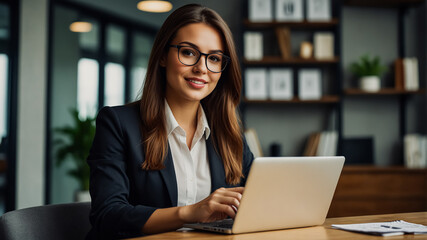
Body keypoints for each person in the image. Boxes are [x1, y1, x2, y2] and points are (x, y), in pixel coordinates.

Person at [86, 4, 254, 239]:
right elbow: (108, 215)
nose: (201, 68)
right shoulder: (117, 123)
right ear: (163, 55)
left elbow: (255, 205)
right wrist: (191, 212)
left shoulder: (229, 133)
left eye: (214, 58)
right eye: (188, 52)